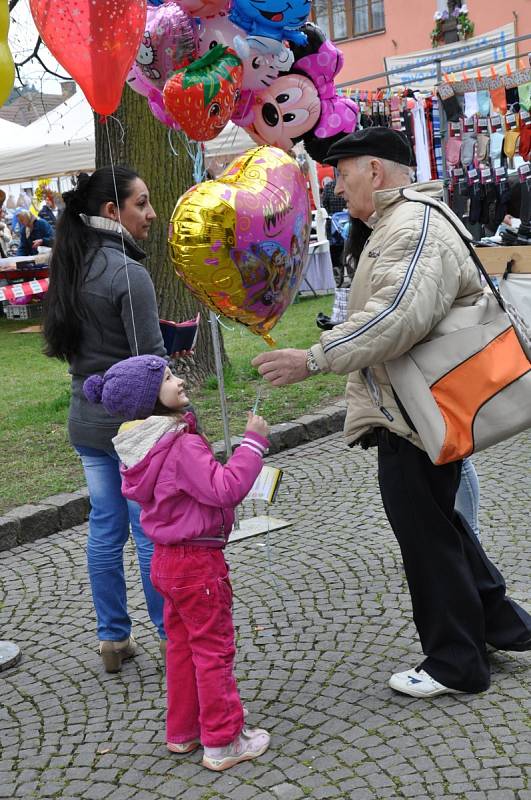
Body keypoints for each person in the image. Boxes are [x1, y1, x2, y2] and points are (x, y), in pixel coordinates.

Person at [252, 127, 531, 698]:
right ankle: (504, 625)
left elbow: (396, 318)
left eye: (342, 173)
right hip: (415, 405)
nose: (336, 185)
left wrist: (313, 358)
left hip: (415, 409)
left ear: (374, 172)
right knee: (439, 522)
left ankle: (456, 663)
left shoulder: (411, 226)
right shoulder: (408, 220)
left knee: (425, 537)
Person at [83, 354, 271, 771]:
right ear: (149, 396)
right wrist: (252, 445)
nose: (180, 379)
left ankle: (182, 732)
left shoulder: (141, 443)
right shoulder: (180, 443)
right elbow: (224, 488)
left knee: (183, 648)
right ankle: (224, 741)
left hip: (166, 564)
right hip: (198, 564)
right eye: (168, 377)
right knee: (214, 650)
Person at [42, 166, 167, 672]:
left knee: (105, 528)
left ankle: (112, 639)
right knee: (148, 533)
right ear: (112, 212)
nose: (152, 213)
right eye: (142, 203)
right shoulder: (126, 273)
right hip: (131, 431)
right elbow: (150, 366)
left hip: (86, 422)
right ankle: (168, 635)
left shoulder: (70, 266)